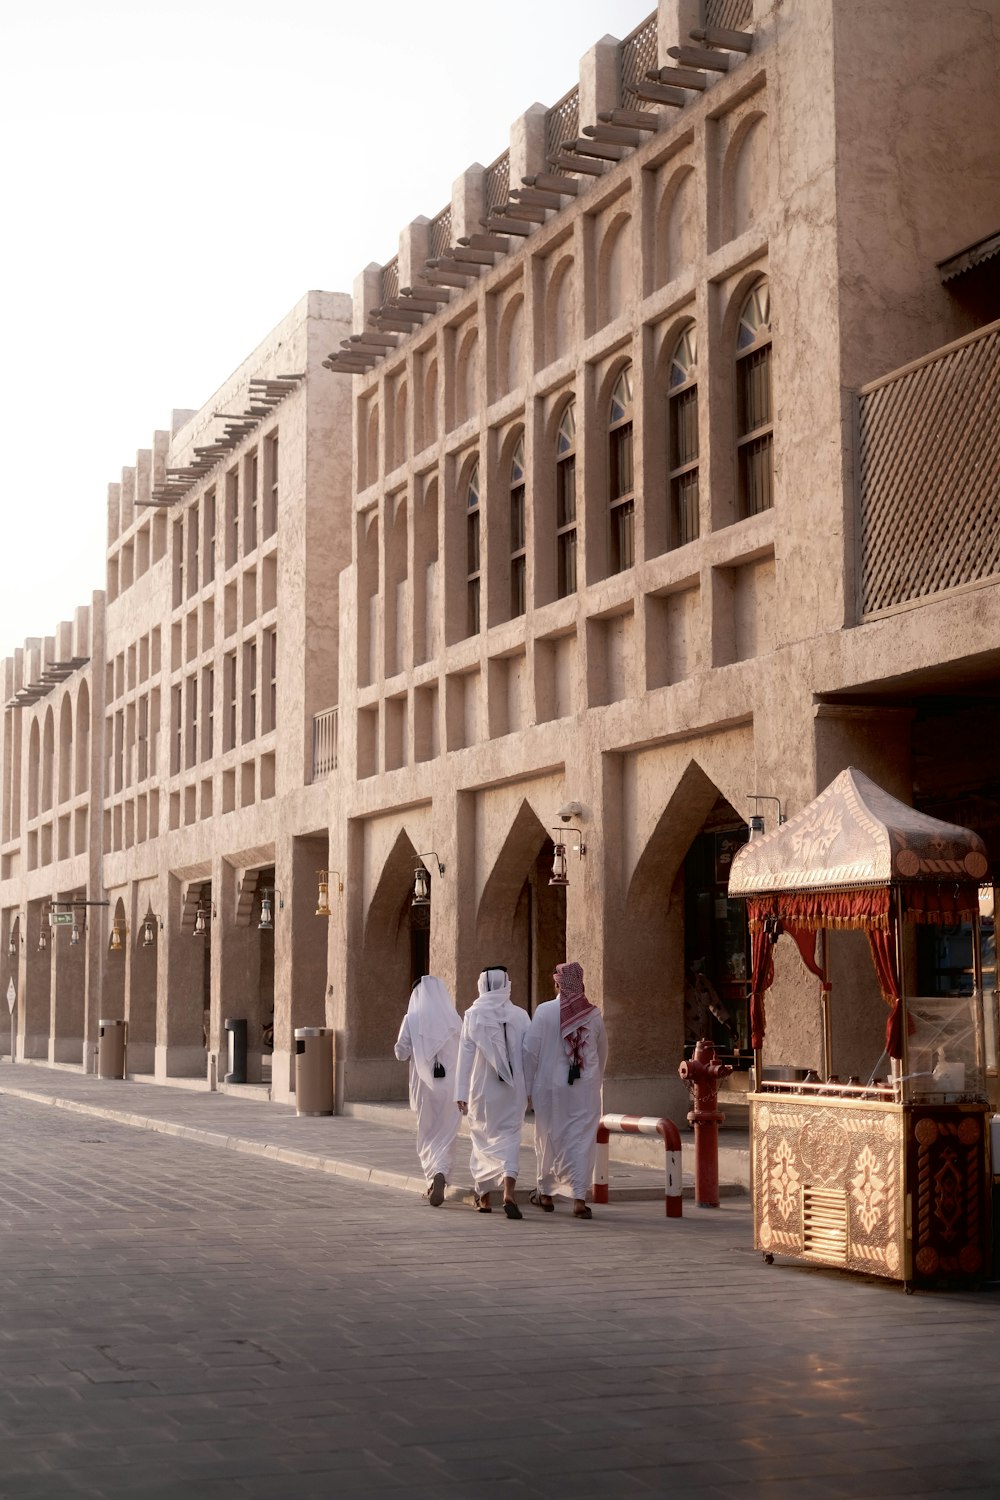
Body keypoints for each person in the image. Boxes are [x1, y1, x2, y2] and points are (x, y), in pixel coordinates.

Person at [522, 960, 608, 1219]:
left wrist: (526, 1087)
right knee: (581, 1141)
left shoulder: (545, 1011)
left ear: (558, 983)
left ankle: (545, 1193)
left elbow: (529, 1051)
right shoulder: (593, 1015)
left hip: (549, 1088)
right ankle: (579, 1199)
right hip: (585, 1088)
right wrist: (595, 1080)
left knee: (547, 1137)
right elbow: (602, 1053)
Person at [454, 966, 530, 1219]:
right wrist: (529, 1089)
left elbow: (465, 1056)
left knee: (482, 1138)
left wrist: (460, 1092)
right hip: (513, 1088)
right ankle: (508, 1191)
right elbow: (529, 1055)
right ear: (506, 984)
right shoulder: (521, 1015)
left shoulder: (473, 1014)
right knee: (510, 1137)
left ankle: (484, 1198)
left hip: (482, 1089)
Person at [394, 975, 461, 1207]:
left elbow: (401, 1052)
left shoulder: (411, 1018)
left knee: (427, 1133)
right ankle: (441, 1172)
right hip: (451, 1086)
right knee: (446, 1133)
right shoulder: (454, 1019)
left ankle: (434, 1177)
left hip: (424, 1086)